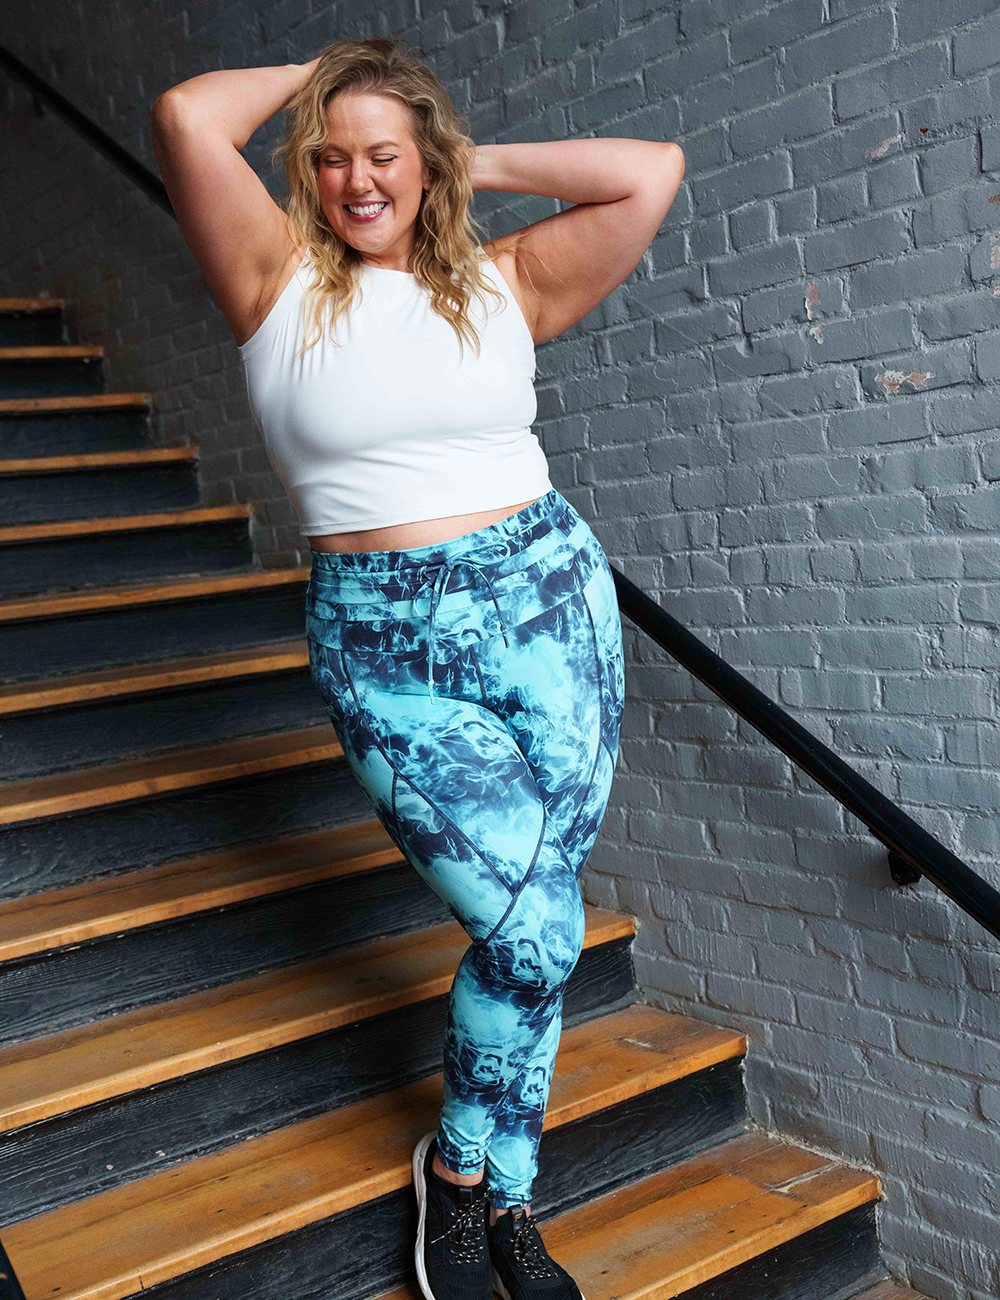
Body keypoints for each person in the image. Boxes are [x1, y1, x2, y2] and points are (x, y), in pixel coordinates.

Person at [151, 35, 684, 1300]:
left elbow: (647, 173)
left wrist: (462, 161)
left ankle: (507, 1198)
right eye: (330, 160)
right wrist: (323, 68)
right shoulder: (274, 278)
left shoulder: (501, 282)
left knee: (539, 926)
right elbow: (185, 112)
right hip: (389, 644)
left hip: (550, 601)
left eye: (382, 155)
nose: (355, 181)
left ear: (422, 163)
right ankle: (454, 1179)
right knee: (525, 923)